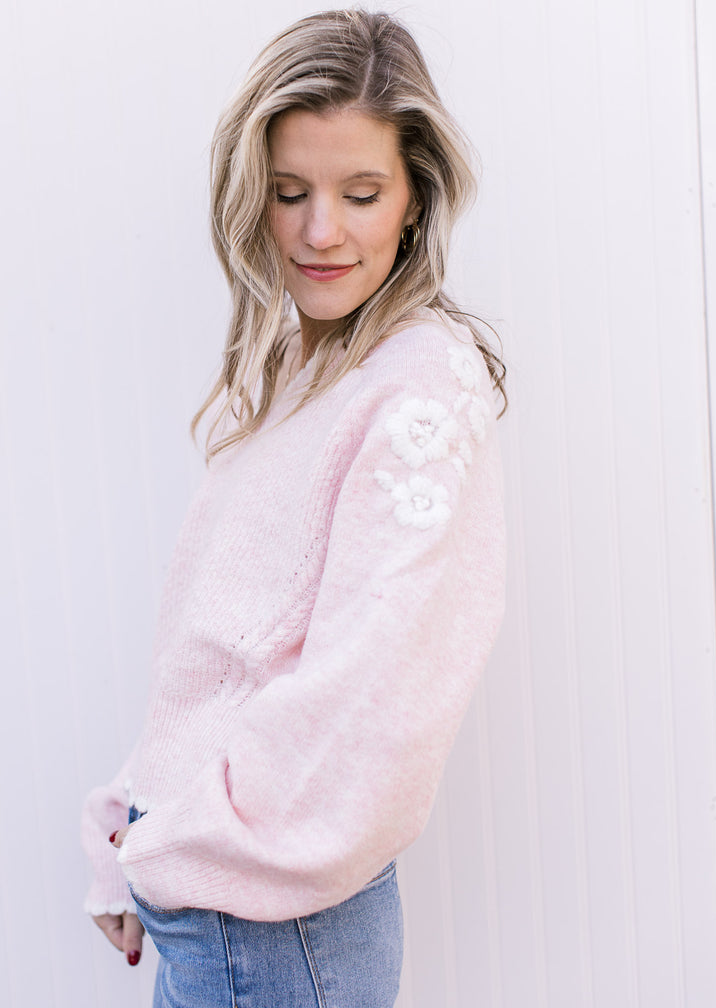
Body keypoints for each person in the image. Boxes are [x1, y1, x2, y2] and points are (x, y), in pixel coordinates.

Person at [82, 8, 506, 1006]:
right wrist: (131, 818)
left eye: (361, 193)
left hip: (274, 926)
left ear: (414, 201)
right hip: (223, 907)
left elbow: (372, 692)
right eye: (289, 193)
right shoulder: (296, 366)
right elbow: (220, 650)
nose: (320, 231)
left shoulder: (419, 389)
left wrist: (178, 842)